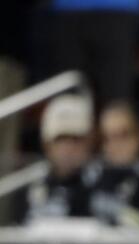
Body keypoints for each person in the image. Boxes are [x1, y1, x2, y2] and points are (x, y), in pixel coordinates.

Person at [20, 94, 94, 224]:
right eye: (60, 139)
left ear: (88, 143)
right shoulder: (31, 183)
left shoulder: (99, 185)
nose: (68, 148)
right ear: (46, 145)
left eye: (76, 139)